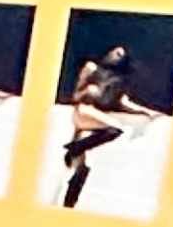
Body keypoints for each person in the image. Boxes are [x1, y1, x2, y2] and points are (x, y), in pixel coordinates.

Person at [58, 44, 142, 209]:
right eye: (116, 52)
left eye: (121, 54)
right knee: (114, 129)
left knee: (83, 167)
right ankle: (74, 148)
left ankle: (69, 204)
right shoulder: (91, 68)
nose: (117, 55)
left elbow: (121, 103)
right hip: (84, 112)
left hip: (94, 121)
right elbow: (76, 95)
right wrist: (88, 91)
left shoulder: (117, 79)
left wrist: (145, 112)